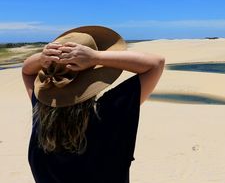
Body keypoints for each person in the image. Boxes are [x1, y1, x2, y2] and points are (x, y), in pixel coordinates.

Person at [21, 25, 165, 183]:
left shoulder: (41, 118)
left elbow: (27, 71)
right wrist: (96, 57)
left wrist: (43, 57)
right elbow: (155, 64)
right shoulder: (109, 113)